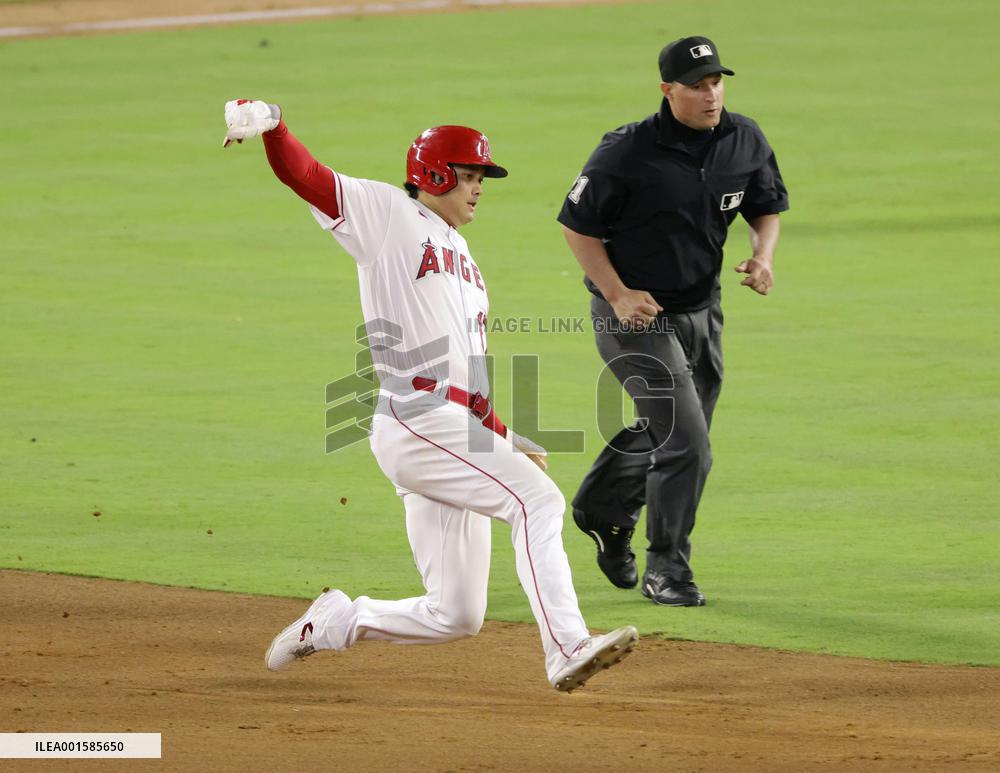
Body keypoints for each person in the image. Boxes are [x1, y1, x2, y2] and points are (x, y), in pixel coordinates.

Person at [222, 99, 637, 691]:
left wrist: (502, 434)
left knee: (457, 614)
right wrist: (274, 124)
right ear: (436, 174)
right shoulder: (386, 213)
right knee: (536, 503)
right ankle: (567, 646)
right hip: (415, 418)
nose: (478, 189)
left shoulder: (467, 262)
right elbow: (306, 177)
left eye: (480, 178)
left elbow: (468, 374)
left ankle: (339, 620)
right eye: (469, 175)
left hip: (451, 423)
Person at [558, 37, 788, 607]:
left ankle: (602, 508)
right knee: (688, 443)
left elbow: (765, 204)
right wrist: (616, 294)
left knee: (678, 435)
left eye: (716, 81)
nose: (710, 94)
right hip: (634, 320)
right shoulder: (626, 151)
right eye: (696, 85)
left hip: (703, 314)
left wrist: (763, 255)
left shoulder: (744, 137)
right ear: (668, 90)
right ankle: (668, 569)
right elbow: (576, 225)